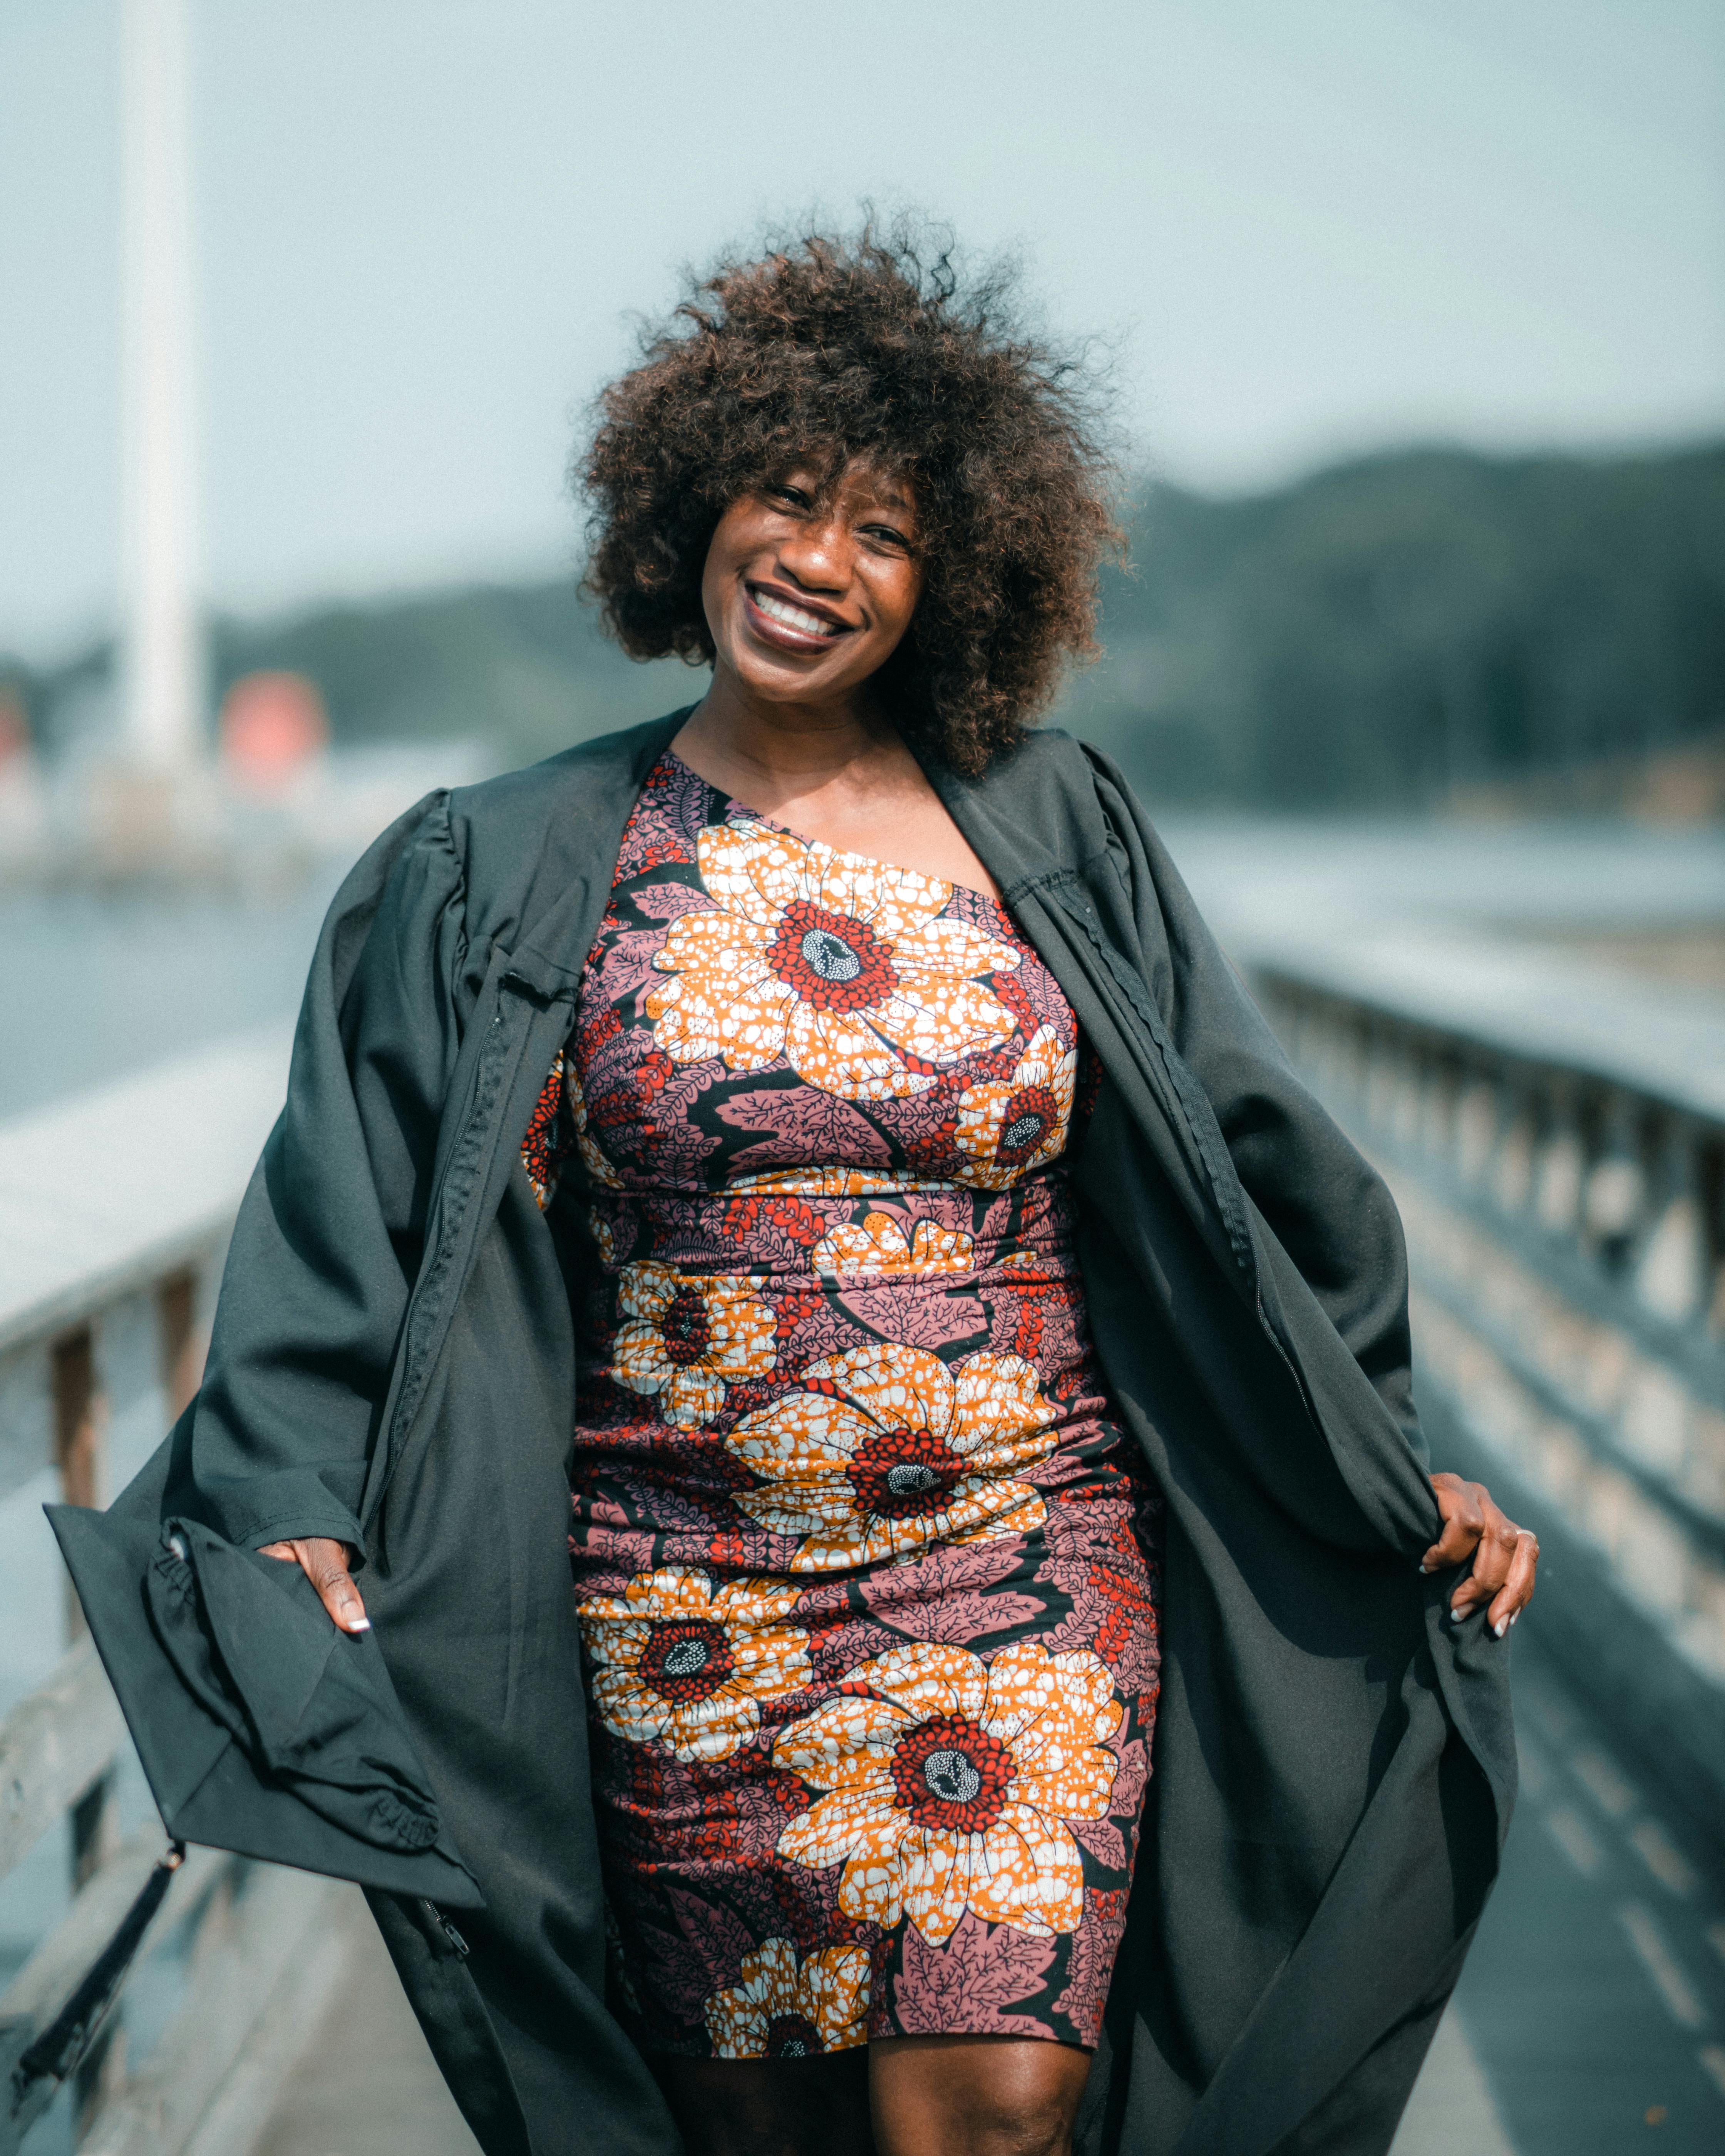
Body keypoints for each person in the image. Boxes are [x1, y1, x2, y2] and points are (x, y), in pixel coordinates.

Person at [174, 229, 1533, 2156]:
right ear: (695, 500)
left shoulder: (1056, 830)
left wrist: (1391, 1461)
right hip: (678, 1591)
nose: (819, 561)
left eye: (885, 534)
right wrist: (287, 1491)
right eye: (788, 498)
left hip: (1025, 1551)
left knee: (991, 2099)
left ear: (950, 584)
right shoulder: (514, 859)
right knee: (754, 2127)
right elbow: (349, 1197)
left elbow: (1262, 1178)